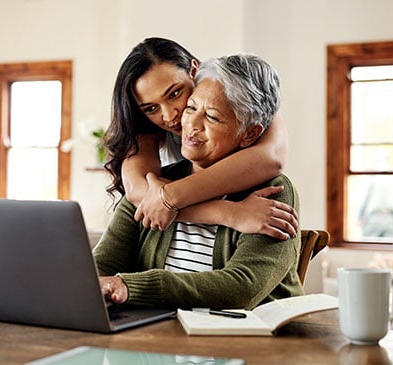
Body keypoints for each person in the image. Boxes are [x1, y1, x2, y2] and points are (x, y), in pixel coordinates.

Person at [94, 53, 304, 309]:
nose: (188, 124)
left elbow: (241, 288)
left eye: (212, 117)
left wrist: (131, 287)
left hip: (248, 342)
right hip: (161, 340)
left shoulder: (275, 191)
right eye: (191, 108)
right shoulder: (155, 184)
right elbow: (101, 266)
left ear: (249, 134)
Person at [103, 38, 298, 240]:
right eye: (152, 108)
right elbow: (139, 192)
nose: (170, 116)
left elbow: (271, 157)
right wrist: (228, 213)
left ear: (194, 70)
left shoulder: (243, 96)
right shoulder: (146, 130)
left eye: (174, 94)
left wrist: (169, 197)